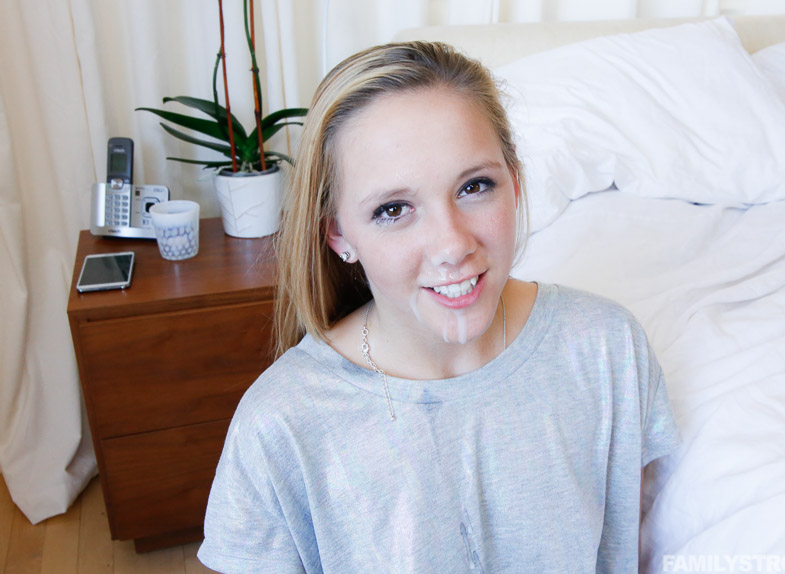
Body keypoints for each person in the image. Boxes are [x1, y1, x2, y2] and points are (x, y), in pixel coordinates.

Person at [198, 40, 679, 573]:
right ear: (339, 234)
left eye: (475, 186)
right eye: (393, 209)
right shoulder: (281, 424)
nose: (452, 245)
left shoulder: (606, 349)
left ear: (516, 184)